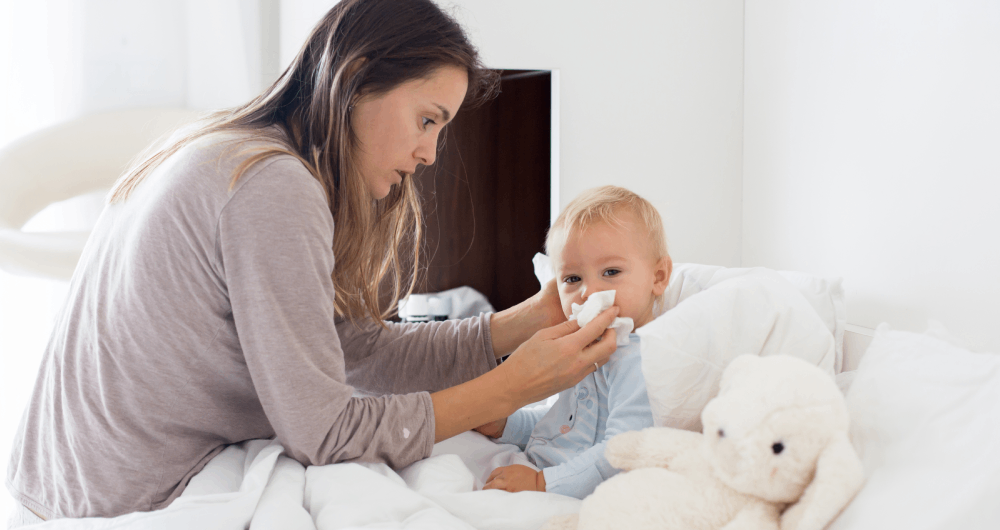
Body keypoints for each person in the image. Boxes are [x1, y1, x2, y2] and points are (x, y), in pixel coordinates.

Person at [4, 0, 621, 526]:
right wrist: (511, 386)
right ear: (357, 78)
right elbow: (325, 432)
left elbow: (356, 351)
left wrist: (524, 321)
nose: (431, 153)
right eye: (427, 120)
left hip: (63, 484)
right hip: (121, 500)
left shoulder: (233, 149)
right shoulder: (272, 186)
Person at [476, 185, 672, 499]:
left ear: (658, 277)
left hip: (572, 491)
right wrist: (507, 425)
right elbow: (561, 426)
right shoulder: (583, 348)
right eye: (573, 278)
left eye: (611, 271)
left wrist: (542, 483)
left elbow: (621, 454)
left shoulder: (641, 360)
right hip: (538, 468)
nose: (588, 292)